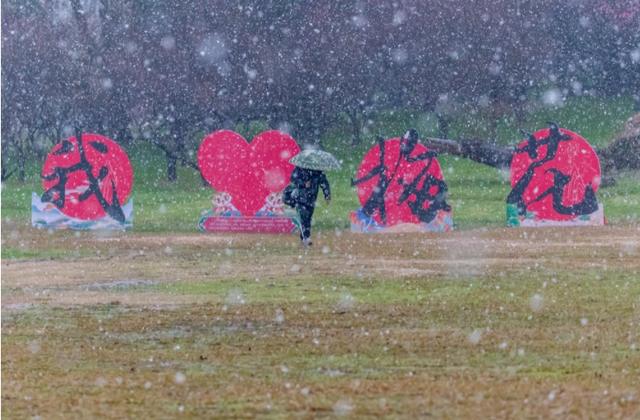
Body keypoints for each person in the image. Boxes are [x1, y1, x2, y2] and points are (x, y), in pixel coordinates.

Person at [289, 166, 331, 246]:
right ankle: (306, 237)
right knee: (304, 217)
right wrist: (303, 184)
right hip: (300, 199)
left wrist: (327, 195)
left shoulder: (318, 171)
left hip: (312, 199)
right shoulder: (299, 169)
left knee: (308, 218)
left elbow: (324, 183)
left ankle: (303, 237)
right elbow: (293, 179)